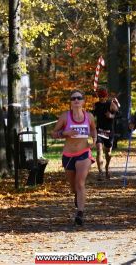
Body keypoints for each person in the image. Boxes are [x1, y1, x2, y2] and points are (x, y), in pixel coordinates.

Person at [51, 90, 97, 225]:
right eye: (73, 98)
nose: (76, 100)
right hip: (68, 155)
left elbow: (93, 129)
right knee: (73, 187)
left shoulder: (89, 116)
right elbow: (53, 133)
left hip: (84, 153)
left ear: (83, 101)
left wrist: (94, 139)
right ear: (70, 102)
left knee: (80, 183)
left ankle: (80, 213)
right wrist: (65, 133)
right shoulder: (65, 117)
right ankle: (77, 195)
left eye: (79, 98)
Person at [93, 87, 119, 180]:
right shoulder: (96, 105)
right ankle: (101, 172)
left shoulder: (110, 104)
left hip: (109, 131)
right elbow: (93, 116)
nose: (101, 98)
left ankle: (107, 168)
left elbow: (118, 114)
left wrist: (111, 115)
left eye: (103, 96)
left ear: (106, 96)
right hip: (99, 130)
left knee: (108, 153)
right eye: (100, 96)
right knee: (99, 150)